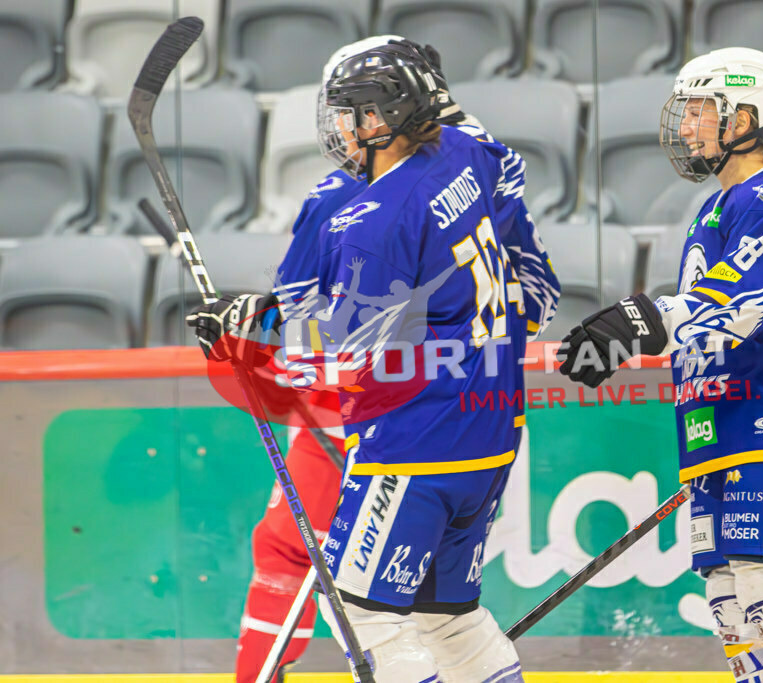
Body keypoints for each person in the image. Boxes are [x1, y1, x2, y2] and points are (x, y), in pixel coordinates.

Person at [189, 40, 558, 682]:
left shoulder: (371, 216)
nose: (341, 129)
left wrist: (250, 337)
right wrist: (261, 311)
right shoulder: (466, 157)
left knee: (363, 611)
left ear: (381, 117)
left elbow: (355, 351)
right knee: (446, 615)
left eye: (349, 112)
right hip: (492, 427)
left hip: (415, 439)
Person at [557, 47, 763, 683]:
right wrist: (641, 333)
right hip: (718, 429)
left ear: (745, 118)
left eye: (698, 111)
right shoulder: (715, 208)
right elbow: (702, 323)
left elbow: (739, 304)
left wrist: (640, 321)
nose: (686, 127)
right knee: (733, 610)